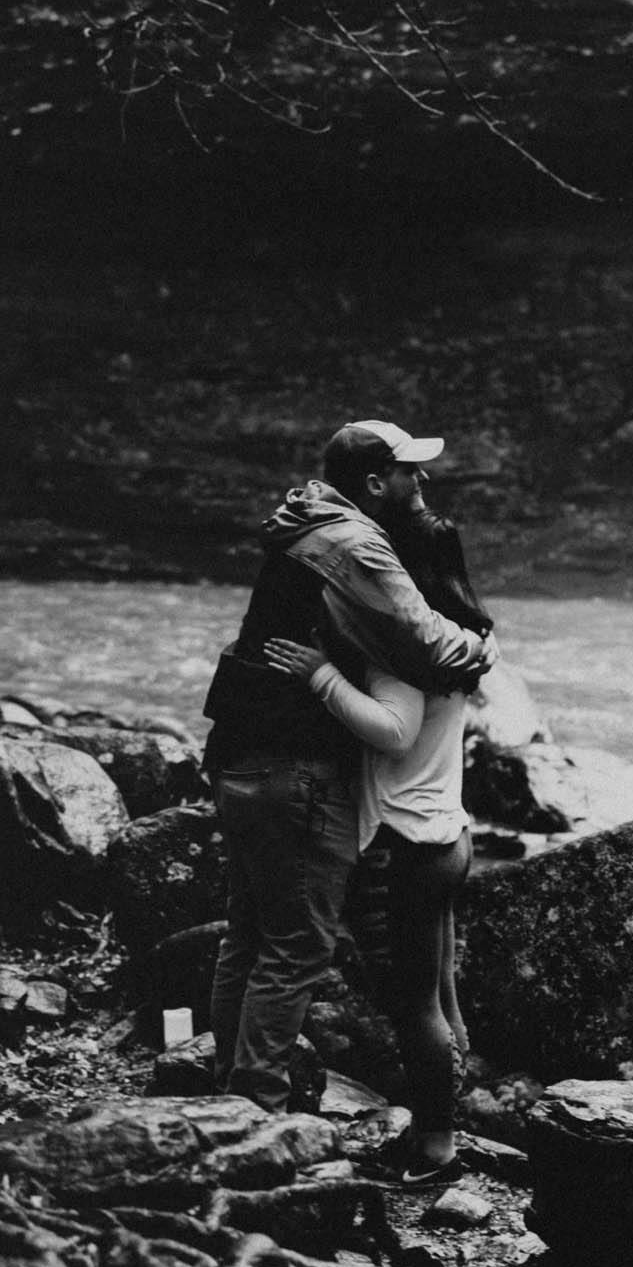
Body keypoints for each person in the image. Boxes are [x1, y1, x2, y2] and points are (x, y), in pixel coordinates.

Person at [202, 419, 492, 1112]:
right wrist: (483, 649)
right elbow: (427, 642)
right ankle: (256, 1105)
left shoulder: (301, 522)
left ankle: (230, 1087)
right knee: (298, 949)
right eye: (409, 470)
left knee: (248, 935)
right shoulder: (356, 543)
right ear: (373, 482)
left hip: (239, 753)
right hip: (298, 768)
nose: (422, 480)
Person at [264, 506, 491, 1186]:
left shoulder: (403, 651)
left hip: (406, 843)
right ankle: (445, 1123)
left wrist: (321, 675)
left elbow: (395, 731)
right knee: (442, 998)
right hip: (449, 832)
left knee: (415, 1006)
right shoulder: (465, 639)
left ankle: (436, 1147)